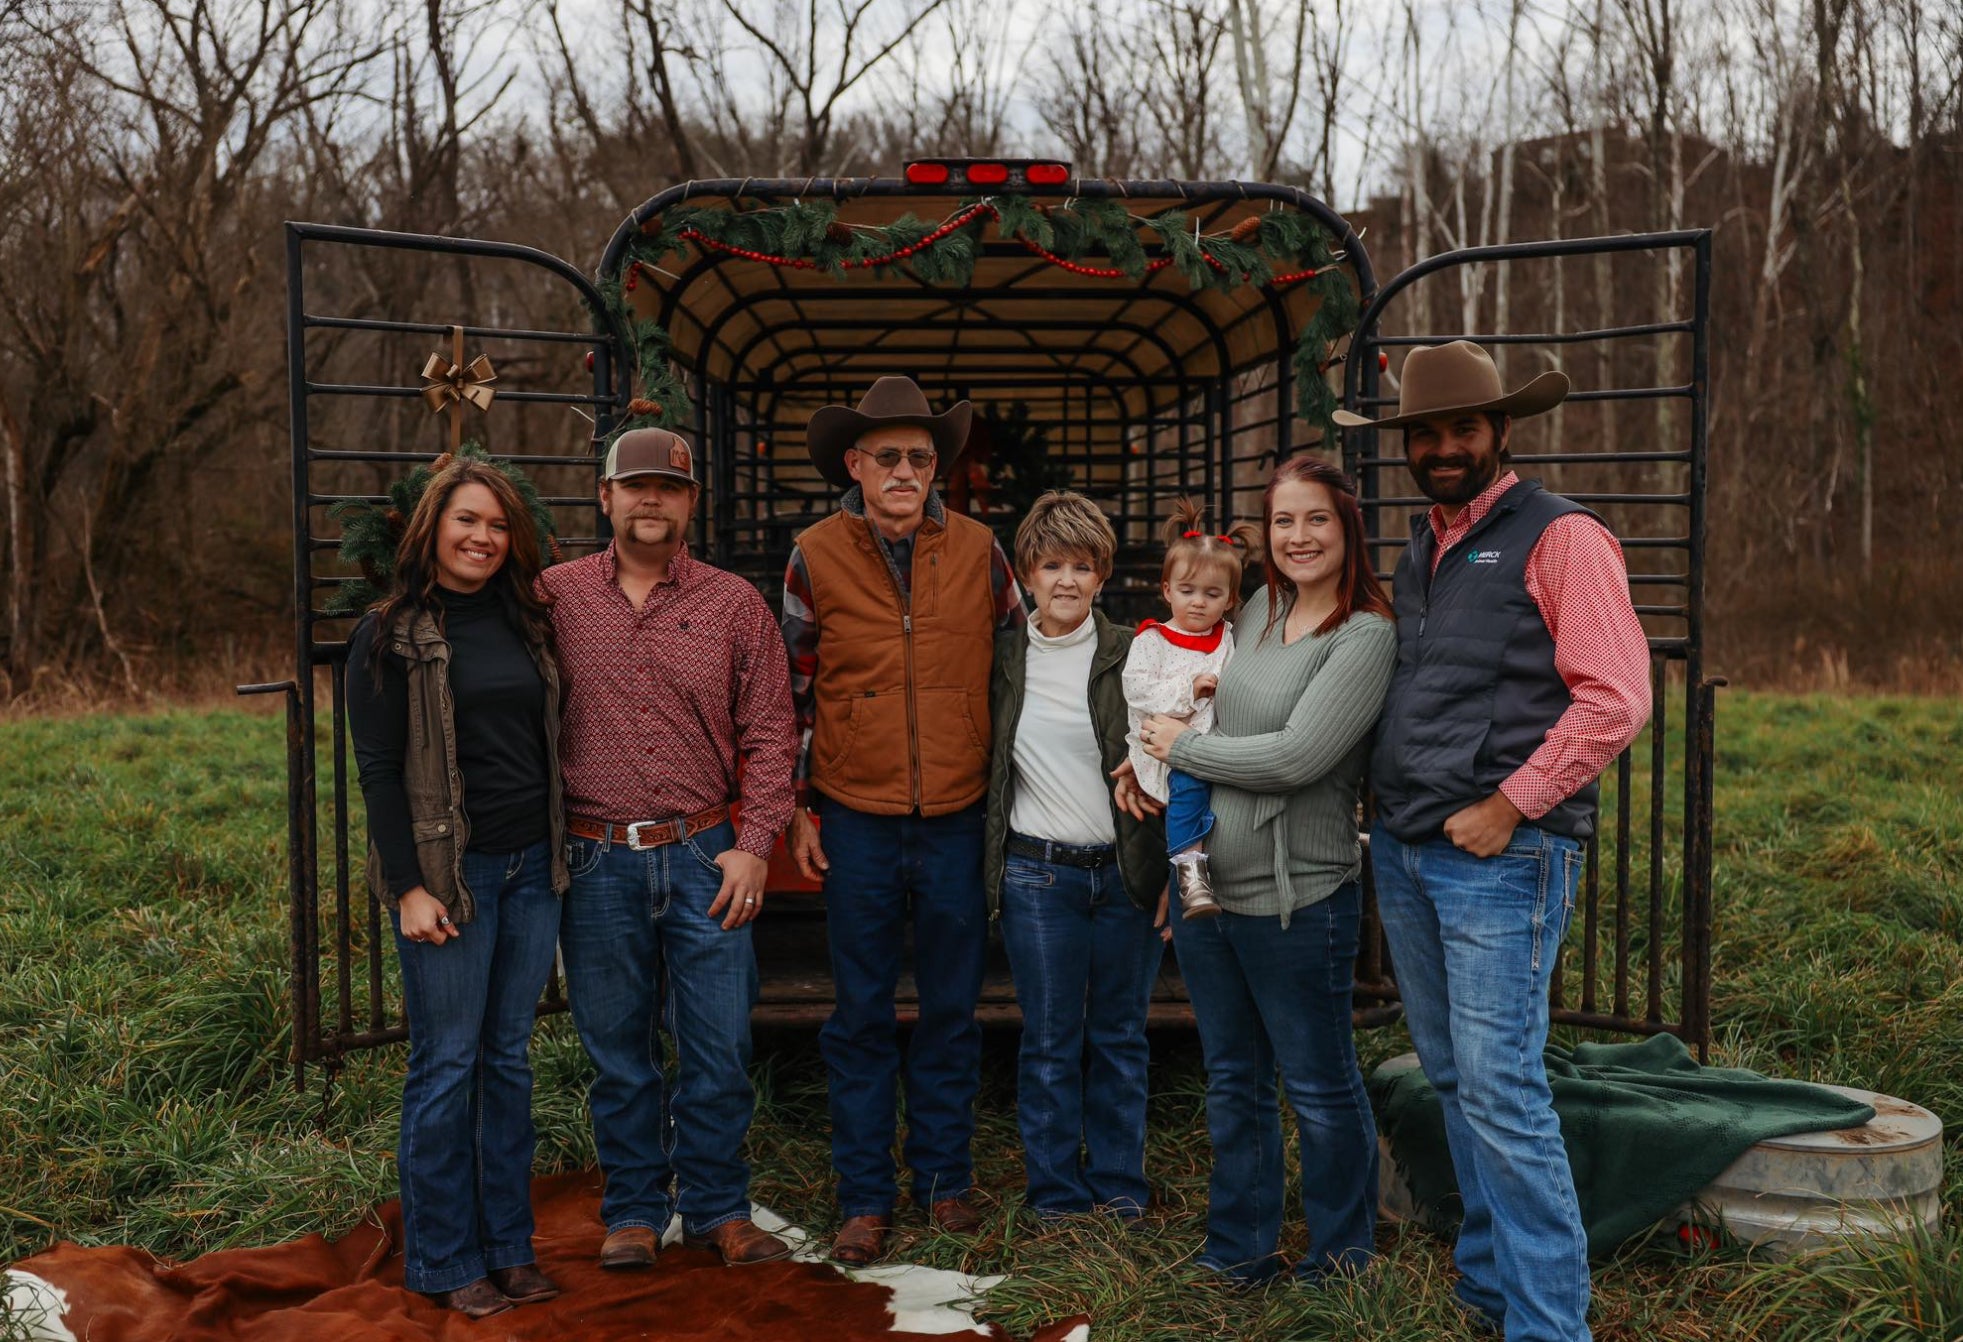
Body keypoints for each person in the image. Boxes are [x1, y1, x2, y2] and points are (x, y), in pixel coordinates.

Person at [1337, 341, 1651, 1342]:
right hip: (1410, 851)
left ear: (1501, 431)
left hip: (1500, 859)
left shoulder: (1561, 537)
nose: (1441, 447)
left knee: (1503, 1090)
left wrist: (1511, 804)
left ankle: (1550, 1325)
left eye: (1461, 429)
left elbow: (1616, 699)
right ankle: (1487, 1290)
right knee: (1455, 1079)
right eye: (1423, 433)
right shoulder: (1421, 548)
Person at [1124, 456, 1396, 1285]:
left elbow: (1296, 757)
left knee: (1317, 1085)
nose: (1298, 536)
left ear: (1346, 526)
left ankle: (1339, 1259)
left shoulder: (1362, 635)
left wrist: (1183, 750)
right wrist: (1146, 761)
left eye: (1315, 519)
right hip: (1207, 893)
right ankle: (1237, 1250)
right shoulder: (1256, 608)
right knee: (1232, 1081)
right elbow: (1203, 709)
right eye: (1283, 521)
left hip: (1298, 899)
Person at [779, 376, 1025, 1265]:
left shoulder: (981, 551)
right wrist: (798, 804)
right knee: (859, 1014)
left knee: (953, 1009)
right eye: (887, 456)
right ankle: (863, 1197)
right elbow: (791, 688)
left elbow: (1018, 672)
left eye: (920, 457)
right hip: (858, 816)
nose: (905, 472)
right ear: (854, 464)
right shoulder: (813, 555)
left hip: (957, 814)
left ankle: (945, 1180)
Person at [541, 427, 799, 1270]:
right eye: (635, 485)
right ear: (605, 496)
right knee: (619, 1055)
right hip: (594, 859)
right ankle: (634, 1210)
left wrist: (753, 844)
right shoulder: (552, 599)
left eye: (670, 487)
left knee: (719, 1047)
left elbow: (771, 732)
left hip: (704, 854)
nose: (651, 498)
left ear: (691, 502)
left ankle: (719, 1206)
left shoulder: (733, 604)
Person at [346, 456, 568, 1320]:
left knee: (507, 1060)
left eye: (498, 524)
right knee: (446, 1065)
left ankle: (508, 1247)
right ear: (432, 527)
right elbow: (377, 771)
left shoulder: (527, 623)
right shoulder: (390, 634)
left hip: (532, 868)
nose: (483, 537)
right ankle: (444, 1258)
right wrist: (408, 887)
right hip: (452, 876)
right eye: (467, 520)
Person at [983, 491, 1168, 1222]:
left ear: (1102, 576)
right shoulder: (1001, 658)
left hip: (1126, 873)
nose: (1066, 580)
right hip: (1038, 875)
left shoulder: (1136, 653)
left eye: (1082, 566)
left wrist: (1176, 869)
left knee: (1120, 1037)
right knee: (1051, 1040)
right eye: (1052, 565)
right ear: (1026, 573)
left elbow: (1185, 747)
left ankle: (1120, 1190)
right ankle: (1055, 1197)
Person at [1121, 500, 1260, 920]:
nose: (1198, 602)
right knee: (1188, 789)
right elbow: (1137, 690)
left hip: (1214, 746)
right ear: (1167, 590)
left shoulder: (1229, 639)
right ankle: (1189, 872)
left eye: (1212, 594)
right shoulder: (1152, 640)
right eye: (1187, 591)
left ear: (1230, 599)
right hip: (1166, 747)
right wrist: (1189, 689)